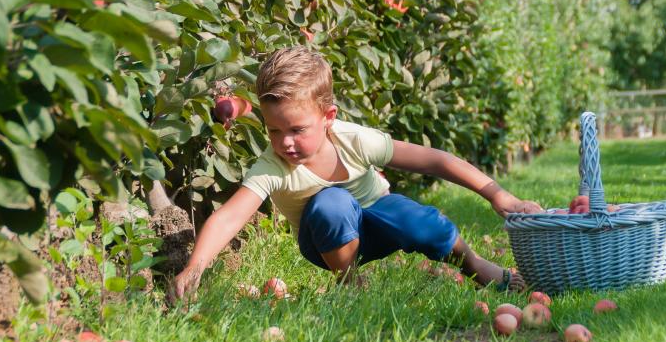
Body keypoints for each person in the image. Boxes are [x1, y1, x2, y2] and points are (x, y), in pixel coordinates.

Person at [170, 47, 543, 300]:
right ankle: (350, 283)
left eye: (297, 130)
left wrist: (498, 195)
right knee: (330, 203)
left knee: (418, 219)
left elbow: (435, 160)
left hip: (380, 225)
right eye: (274, 131)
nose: (285, 143)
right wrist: (195, 266)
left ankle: (477, 266)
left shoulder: (355, 140)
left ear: (328, 118)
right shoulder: (274, 165)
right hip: (327, 243)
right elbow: (232, 214)